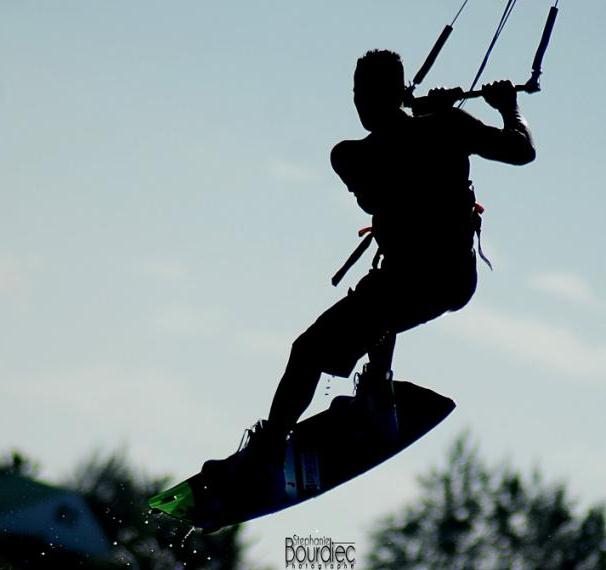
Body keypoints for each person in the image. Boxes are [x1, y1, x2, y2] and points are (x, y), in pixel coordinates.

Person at [203, 49, 535, 478]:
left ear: (394, 94)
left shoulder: (376, 147)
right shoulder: (419, 135)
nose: (360, 103)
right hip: (440, 280)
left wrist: (444, 114)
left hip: (421, 280)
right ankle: (377, 392)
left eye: (368, 94)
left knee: (308, 351)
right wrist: (504, 108)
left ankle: (268, 455)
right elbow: (514, 146)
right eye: (357, 93)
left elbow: (515, 154)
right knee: (379, 298)